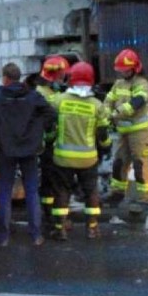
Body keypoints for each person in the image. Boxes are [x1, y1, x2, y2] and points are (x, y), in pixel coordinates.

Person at [0, 62, 56, 246]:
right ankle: (36, 235)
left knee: (4, 191)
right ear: (19, 77)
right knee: (31, 190)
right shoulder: (32, 95)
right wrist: (36, 129)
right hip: (29, 149)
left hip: (6, 149)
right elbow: (51, 114)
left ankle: (3, 236)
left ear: (5, 78)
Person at [49, 62, 112, 240]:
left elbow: (49, 124)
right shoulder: (97, 105)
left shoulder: (58, 101)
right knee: (91, 191)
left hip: (62, 157)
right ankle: (92, 228)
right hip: (88, 158)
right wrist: (106, 146)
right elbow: (102, 133)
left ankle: (60, 227)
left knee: (62, 191)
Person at [105, 48, 148, 208]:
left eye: (125, 70)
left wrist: (115, 114)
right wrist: (105, 113)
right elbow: (108, 100)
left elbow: (136, 103)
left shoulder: (142, 84)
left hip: (139, 133)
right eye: (121, 70)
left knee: (140, 164)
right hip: (123, 133)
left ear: (135, 68)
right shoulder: (118, 84)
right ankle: (117, 193)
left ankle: (145, 198)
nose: (123, 73)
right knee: (119, 162)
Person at [33, 56, 70, 226]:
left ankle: (47, 212)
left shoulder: (46, 92)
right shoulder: (44, 95)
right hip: (49, 144)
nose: (63, 80)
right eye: (62, 76)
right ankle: (57, 219)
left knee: (48, 181)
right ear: (54, 76)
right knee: (56, 182)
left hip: (50, 143)